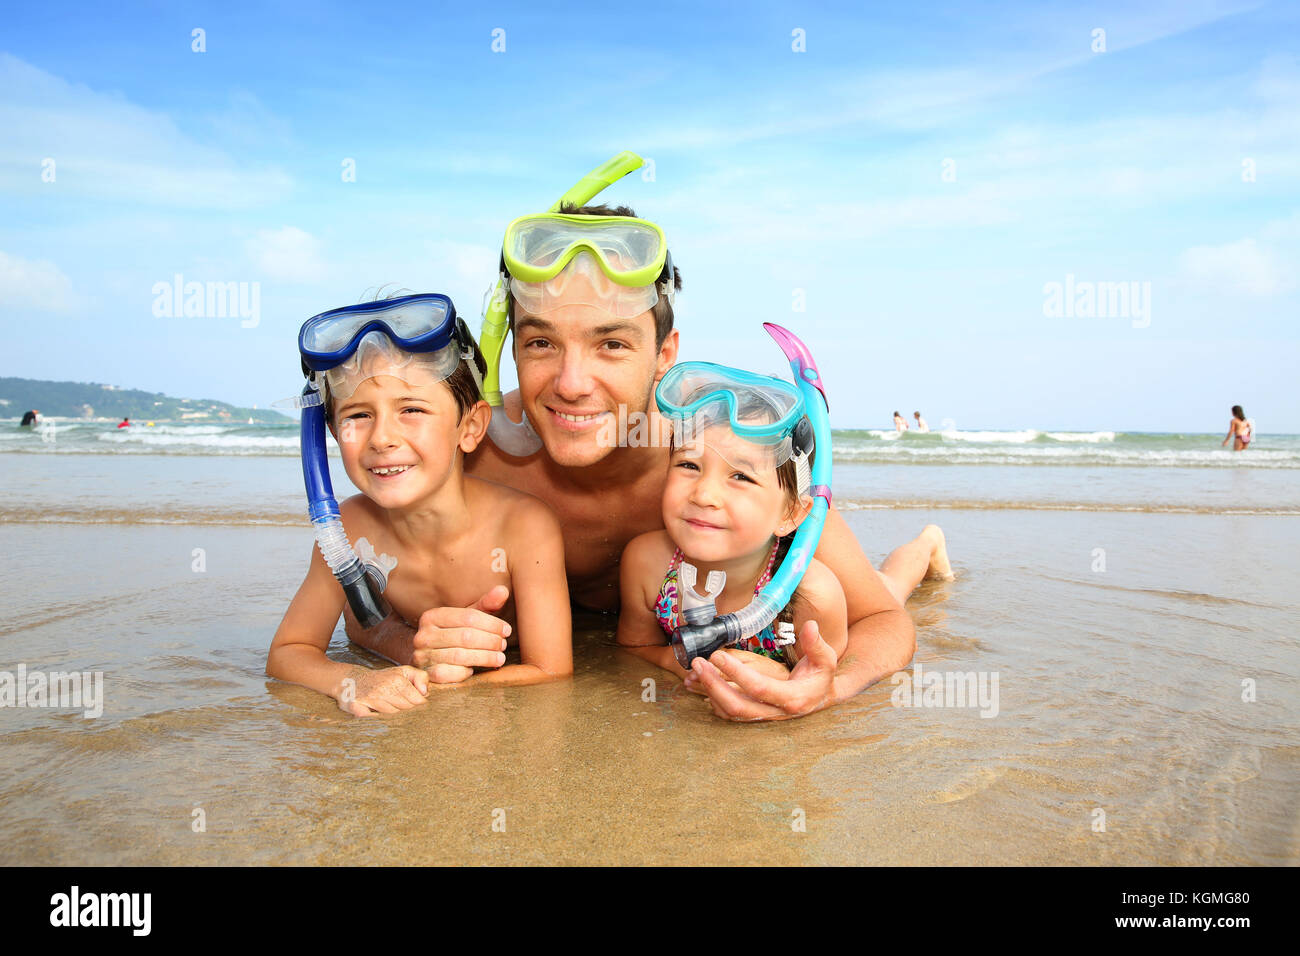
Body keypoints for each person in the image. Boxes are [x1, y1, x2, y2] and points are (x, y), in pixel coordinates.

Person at [347, 153, 919, 722]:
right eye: (541, 344)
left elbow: (882, 620)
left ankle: (926, 549)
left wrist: (832, 687)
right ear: (510, 349)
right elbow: (367, 613)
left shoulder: (722, 449)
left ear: (665, 356)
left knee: (893, 583)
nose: (571, 385)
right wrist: (411, 643)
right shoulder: (474, 454)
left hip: (703, 612)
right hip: (627, 639)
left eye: (612, 344)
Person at [268, 294, 572, 715]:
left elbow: (550, 669)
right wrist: (356, 680)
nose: (381, 438)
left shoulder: (523, 526)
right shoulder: (349, 527)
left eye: (411, 408)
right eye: (357, 415)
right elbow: (288, 652)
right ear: (333, 434)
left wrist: (432, 687)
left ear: (470, 427)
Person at [617, 357, 849, 679]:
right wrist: (676, 665)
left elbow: (824, 679)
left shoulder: (814, 598)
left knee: (894, 584)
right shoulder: (647, 564)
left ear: (790, 513)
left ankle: (925, 547)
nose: (704, 495)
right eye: (689, 465)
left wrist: (782, 678)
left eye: (740, 476)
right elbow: (635, 649)